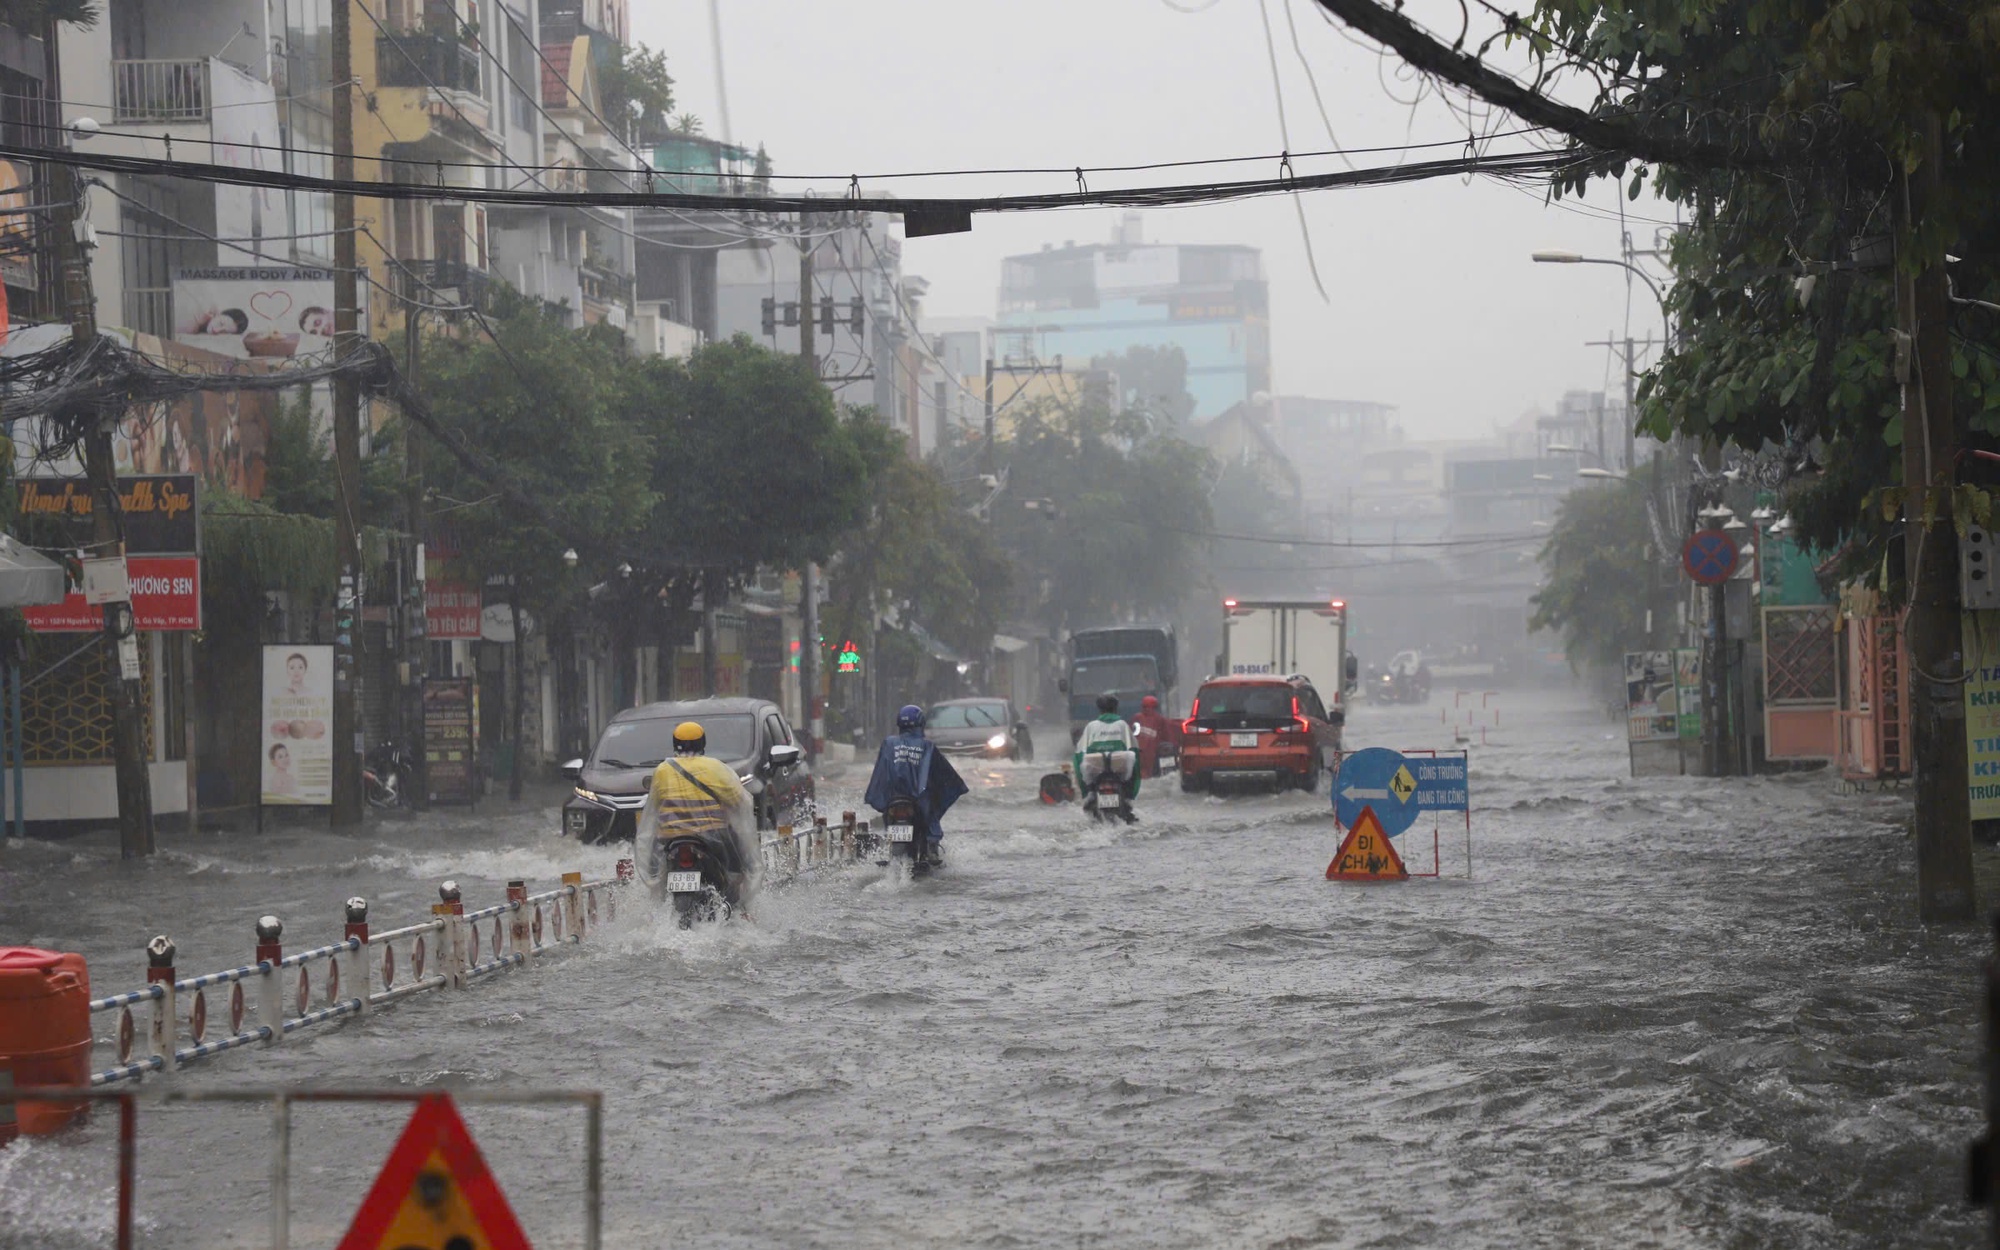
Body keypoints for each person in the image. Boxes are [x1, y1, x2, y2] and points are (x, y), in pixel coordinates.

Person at [636, 721, 758, 905]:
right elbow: (737, 800)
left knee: (657, 874)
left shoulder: (662, 770)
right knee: (738, 871)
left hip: (670, 840)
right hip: (712, 837)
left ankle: (658, 903)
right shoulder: (716, 767)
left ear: (674, 743)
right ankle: (737, 908)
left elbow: (655, 804)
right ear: (703, 743)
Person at [865, 704, 968, 866]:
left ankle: (893, 848)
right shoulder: (927, 746)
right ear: (921, 723)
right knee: (931, 814)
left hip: (893, 798)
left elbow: (880, 772)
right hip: (919, 799)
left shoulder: (889, 743)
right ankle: (932, 847)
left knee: (888, 815)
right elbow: (942, 773)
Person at [1073, 694, 1139, 817]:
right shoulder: (1122, 725)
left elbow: (1079, 753)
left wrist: (1085, 790)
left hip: (1095, 774)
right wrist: (1132, 792)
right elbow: (1134, 750)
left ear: (1099, 709)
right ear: (1115, 708)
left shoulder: (1091, 726)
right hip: (1119, 772)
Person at [1132, 694, 1180, 779]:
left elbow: (1168, 738)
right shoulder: (1138, 718)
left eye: (1147, 707)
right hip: (1142, 756)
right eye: (1144, 707)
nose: (1146, 709)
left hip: (1150, 756)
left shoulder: (1159, 720)